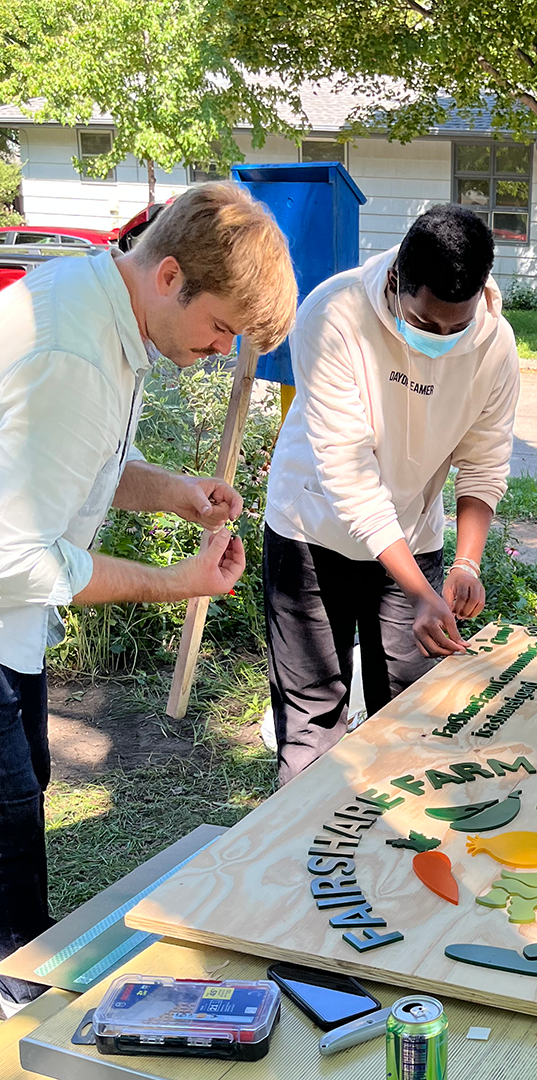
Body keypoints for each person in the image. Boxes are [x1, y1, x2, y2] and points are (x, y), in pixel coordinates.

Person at [0, 181, 296, 1009]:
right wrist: (174, 583)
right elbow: (15, 557)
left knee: (22, 813)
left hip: (13, 631)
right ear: (170, 276)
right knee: (11, 894)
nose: (220, 349)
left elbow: (86, 463)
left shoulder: (104, 310)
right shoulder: (74, 353)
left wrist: (175, 494)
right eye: (221, 328)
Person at [264, 204, 520, 784]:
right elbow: (350, 477)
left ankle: (396, 837)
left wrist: (466, 563)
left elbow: (484, 462)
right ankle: (309, 834)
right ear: (396, 278)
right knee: (312, 719)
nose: (442, 341)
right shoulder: (333, 315)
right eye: (427, 324)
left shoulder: (496, 345)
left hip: (413, 533)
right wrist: (421, 592)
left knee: (411, 710)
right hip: (313, 530)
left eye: (457, 327)